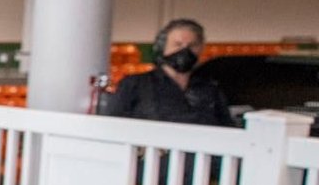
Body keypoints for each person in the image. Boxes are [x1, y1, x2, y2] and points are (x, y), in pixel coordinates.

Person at [99, 18, 235, 125]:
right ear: (162, 47)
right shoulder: (136, 84)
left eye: (191, 45)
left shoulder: (210, 89)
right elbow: (114, 124)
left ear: (200, 48)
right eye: (178, 44)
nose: (184, 50)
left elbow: (226, 127)